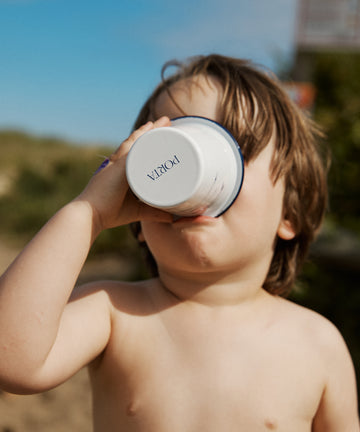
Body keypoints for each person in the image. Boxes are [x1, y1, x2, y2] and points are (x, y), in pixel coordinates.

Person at [0, 54, 358, 431]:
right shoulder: (114, 312)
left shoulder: (317, 343)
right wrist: (89, 213)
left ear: (290, 212)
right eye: (174, 144)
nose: (193, 168)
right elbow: (11, 359)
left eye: (233, 151)